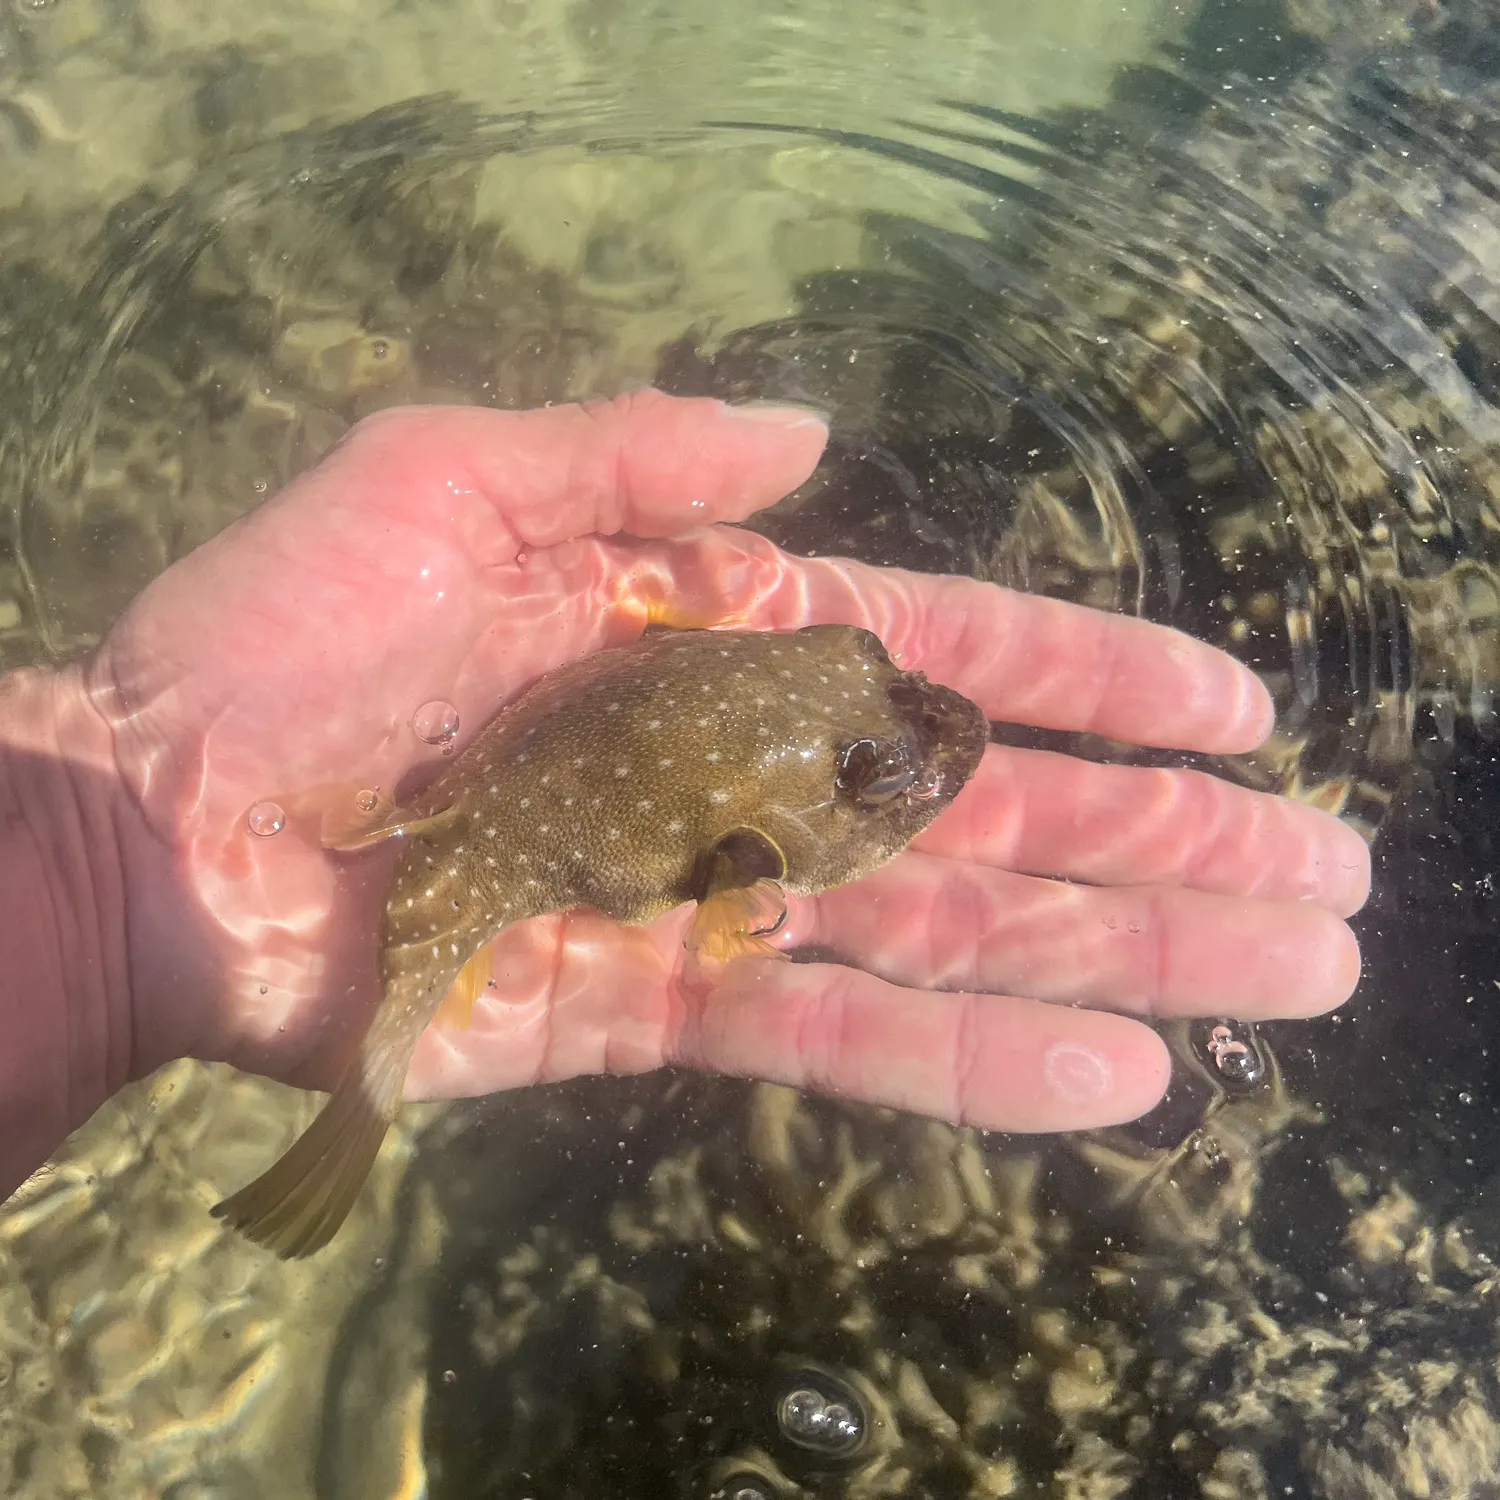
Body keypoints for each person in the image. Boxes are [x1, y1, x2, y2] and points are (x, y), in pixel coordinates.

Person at [0, 391, 1369, 1207]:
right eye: (872, 762)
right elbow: (716, 885)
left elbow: (668, 682)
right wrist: (103, 857)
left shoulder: (707, 663)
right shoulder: (742, 840)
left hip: (469, 807)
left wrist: (102, 866)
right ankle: (351, 1121)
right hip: (511, 824)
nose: (914, 730)